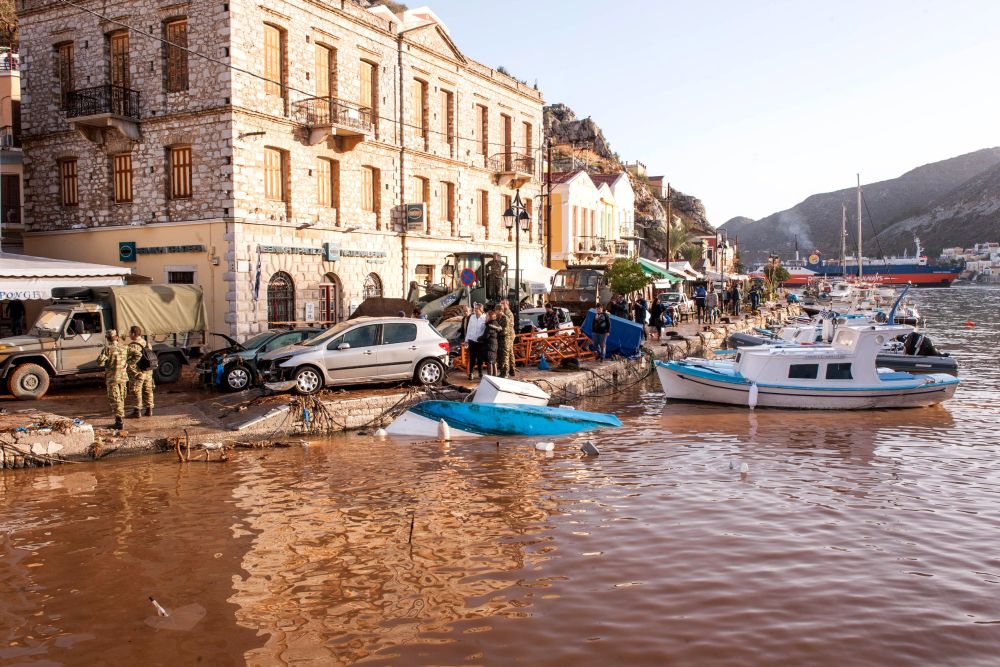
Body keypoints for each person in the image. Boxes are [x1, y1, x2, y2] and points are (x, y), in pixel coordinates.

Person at [97, 329, 129, 430]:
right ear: (117, 337)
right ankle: (120, 418)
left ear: (107, 338)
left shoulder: (107, 349)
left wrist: (107, 364)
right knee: (121, 397)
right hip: (123, 377)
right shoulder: (124, 347)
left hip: (112, 378)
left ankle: (119, 421)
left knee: (115, 399)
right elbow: (138, 354)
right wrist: (127, 364)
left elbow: (100, 362)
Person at [126, 325, 155, 418]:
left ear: (133, 334)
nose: (129, 334)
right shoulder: (147, 343)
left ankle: (137, 411)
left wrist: (132, 369)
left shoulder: (132, 345)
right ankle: (149, 410)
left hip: (138, 372)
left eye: (130, 333)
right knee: (148, 390)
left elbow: (130, 358)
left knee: (136, 391)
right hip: (148, 371)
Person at [464, 302, 487, 380]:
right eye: (474, 308)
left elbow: (486, 330)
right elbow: (469, 328)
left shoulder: (485, 317)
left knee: (480, 359)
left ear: (481, 309)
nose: (474, 310)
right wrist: (466, 340)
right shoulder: (472, 317)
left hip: (480, 342)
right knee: (472, 358)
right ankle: (471, 373)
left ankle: (480, 373)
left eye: (476, 308)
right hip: (472, 340)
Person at [498, 299, 517, 378]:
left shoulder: (508, 314)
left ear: (507, 304)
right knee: (509, 352)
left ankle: (509, 370)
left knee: (507, 353)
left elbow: (509, 326)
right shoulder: (504, 313)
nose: (501, 304)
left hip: (509, 335)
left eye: (503, 303)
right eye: (501, 303)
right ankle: (512, 370)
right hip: (507, 334)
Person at [483, 309, 502, 376]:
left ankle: (490, 377)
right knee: (493, 360)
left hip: (490, 344)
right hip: (494, 344)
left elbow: (486, 336)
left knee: (490, 361)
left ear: (490, 317)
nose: (485, 317)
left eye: (487, 316)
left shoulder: (490, 325)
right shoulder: (496, 323)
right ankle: (495, 376)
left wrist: (479, 338)